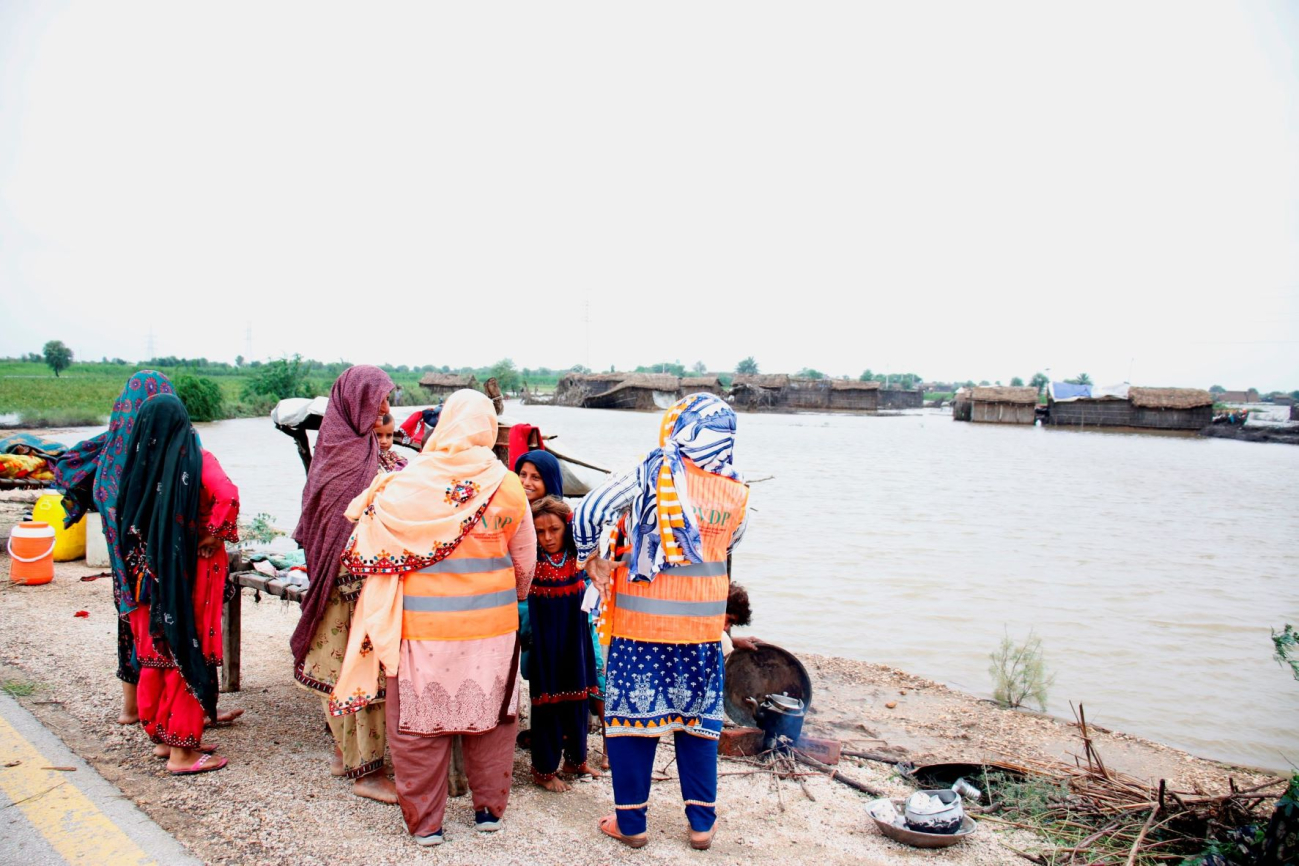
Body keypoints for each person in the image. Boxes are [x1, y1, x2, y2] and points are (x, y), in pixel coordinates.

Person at [328, 389, 535, 846]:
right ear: (487, 427)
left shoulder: (407, 483)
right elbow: (525, 567)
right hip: (492, 629)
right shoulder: (507, 485)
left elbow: (375, 547)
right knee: (491, 721)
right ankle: (488, 812)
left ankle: (426, 825)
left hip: (420, 630)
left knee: (419, 726)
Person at [575, 393, 749, 851]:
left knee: (633, 723)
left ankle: (631, 825)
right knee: (698, 726)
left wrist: (590, 559)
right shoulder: (737, 489)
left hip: (642, 629)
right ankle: (701, 826)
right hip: (703, 633)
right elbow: (729, 547)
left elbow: (588, 511)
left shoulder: (650, 474)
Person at [53, 371, 243, 730]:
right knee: (183, 636)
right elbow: (221, 494)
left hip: (130, 565)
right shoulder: (177, 451)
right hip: (171, 563)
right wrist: (212, 535)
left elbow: (72, 470)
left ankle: (147, 717)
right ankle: (183, 726)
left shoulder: (115, 449)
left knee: (142, 636)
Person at [291, 364, 397, 803]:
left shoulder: (336, 454)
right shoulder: (351, 460)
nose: (385, 411)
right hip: (352, 590)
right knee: (361, 676)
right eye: (377, 402)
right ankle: (366, 773)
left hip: (340, 585)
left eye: (387, 402)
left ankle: (343, 753)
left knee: (338, 671)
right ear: (355, 404)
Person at [117, 395, 239, 774]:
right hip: (190, 574)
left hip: (146, 581)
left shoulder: (138, 469)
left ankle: (163, 738)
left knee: (157, 655)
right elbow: (228, 495)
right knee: (189, 651)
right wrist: (214, 535)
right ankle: (183, 753)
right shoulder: (196, 459)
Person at [526, 496, 601, 792]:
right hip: (545, 646)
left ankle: (575, 760)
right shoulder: (531, 560)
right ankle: (543, 770)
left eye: (554, 530)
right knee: (548, 703)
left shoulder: (578, 556)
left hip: (576, 640)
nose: (548, 537)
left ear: (566, 528)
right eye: (540, 531)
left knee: (578, 698)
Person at [722, 583, 762, 656]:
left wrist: (734, 641)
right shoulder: (723, 638)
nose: (726, 628)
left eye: (731, 624)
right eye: (729, 620)